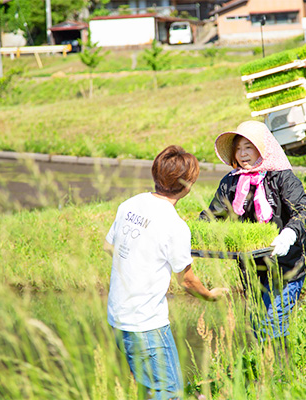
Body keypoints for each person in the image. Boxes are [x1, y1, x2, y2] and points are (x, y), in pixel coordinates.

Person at [104, 145, 228, 400]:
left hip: (118, 317)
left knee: (147, 389)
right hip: (147, 325)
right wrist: (211, 295)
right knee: (168, 393)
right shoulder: (175, 225)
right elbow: (188, 282)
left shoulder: (130, 204)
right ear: (188, 184)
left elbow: (109, 246)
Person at [200, 120, 306, 344]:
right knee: (256, 325)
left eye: (248, 147)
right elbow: (212, 215)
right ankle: (265, 373)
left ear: (262, 149)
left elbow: (304, 211)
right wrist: (195, 232)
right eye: (239, 148)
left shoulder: (281, 177)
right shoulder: (232, 182)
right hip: (253, 271)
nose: (242, 154)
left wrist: (288, 234)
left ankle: (279, 374)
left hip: (287, 267)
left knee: (272, 324)